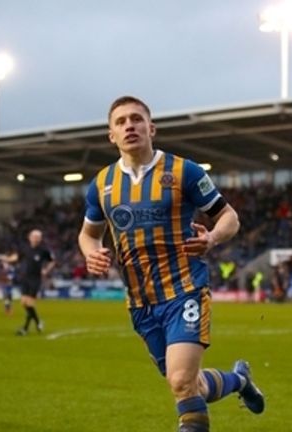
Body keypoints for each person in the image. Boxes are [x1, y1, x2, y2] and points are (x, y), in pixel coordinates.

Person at [78, 96, 265, 432]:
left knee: (180, 381)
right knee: (190, 385)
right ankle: (239, 380)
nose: (129, 126)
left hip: (185, 291)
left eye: (136, 119)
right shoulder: (102, 185)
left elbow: (229, 217)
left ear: (152, 128)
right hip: (141, 303)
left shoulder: (184, 171)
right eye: (120, 122)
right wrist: (91, 252)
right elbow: (88, 235)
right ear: (111, 135)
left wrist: (211, 238)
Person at [3, 229, 55, 335]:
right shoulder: (24, 248)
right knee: (24, 303)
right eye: (34, 236)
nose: (35, 238)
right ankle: (38, 322)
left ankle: (25, 329)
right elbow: (17, 257)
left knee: (30, 303)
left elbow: (52, 261)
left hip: (35, 279)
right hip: (24, 278)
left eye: (38, 237)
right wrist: (7, 259)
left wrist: (46, 270)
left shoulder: (43, 250)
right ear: (29, 237)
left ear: (40, 239)